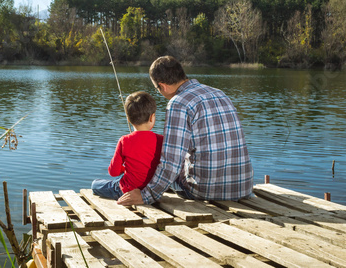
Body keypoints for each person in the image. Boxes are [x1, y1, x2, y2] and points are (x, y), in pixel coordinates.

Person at [117, 56, 253, 205]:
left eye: (157, 89)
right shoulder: (220, 93)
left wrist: (146, 195)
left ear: (163, 86)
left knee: (160, 167)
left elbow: (171, 162)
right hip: (243, 187)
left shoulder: (178, 103)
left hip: (205, 191)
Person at [91, 91, 163, 200]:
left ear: (128, 120)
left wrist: (123, 168)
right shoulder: (161, 140)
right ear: (152, 117)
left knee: (95, 185)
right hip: (151, 191)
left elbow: (113, 172)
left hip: (127, 191)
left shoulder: (124, 141)